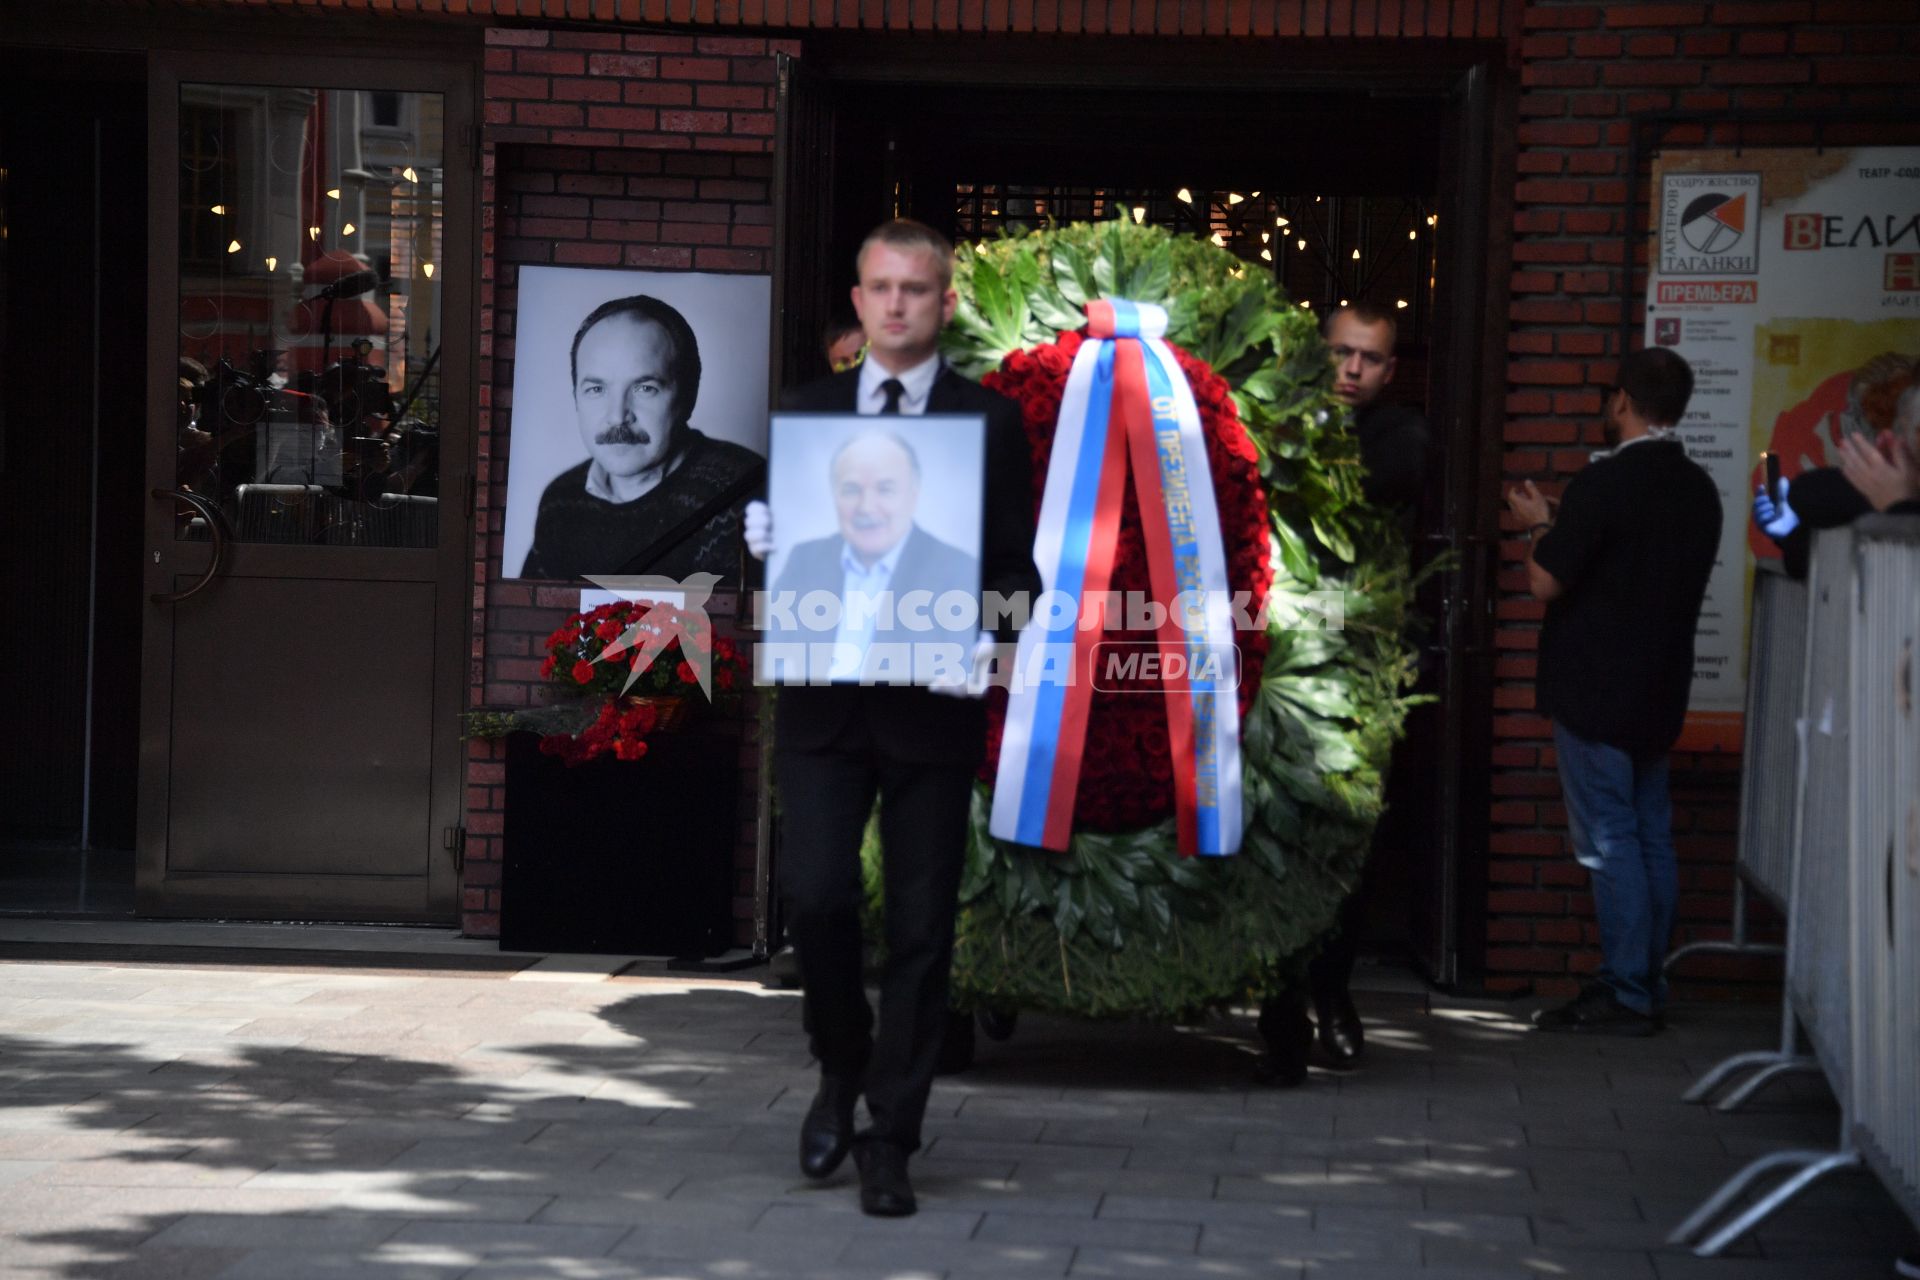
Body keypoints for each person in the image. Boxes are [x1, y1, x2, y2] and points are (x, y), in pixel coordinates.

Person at [743, 218, 1040, 1218]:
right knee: (819, 897)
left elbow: (1014, 570)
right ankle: (840, 1059)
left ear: (945, 302)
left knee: (920, 928)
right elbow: (783, 565)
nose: (899, 303)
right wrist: (766, 549)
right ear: (861, 298)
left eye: (918, 288)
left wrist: (989, 642)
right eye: (881, 286)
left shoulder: (988, 422)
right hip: (826, 703)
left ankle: (891, 1134)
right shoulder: (806, 411)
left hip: (932, 712)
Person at [1506, 346, 1720, 1035]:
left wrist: (1538, 523)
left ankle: (1626, 991)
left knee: (1609, 841)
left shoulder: (1604, 485)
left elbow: (1546, 580)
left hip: (1595, 687)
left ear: (1623, 400)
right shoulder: (1698, 489)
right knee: (1651, 835)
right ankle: (1647, 982)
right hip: (1661, 687)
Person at [1258, 303, 1430, 1084]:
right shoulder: (1274, 419)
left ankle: (1330, 992)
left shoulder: (1400, 437)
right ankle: (1281, 997)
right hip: (1269, 660)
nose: (1352, 370)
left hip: (1355, 672)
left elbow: (1350, 488)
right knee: (1273, 830)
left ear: (1390, 372)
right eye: (1340, 354)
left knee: (1344, 840)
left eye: (1368, 359)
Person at [518, 294, 761, 581]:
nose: (618, 416)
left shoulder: (744, 494)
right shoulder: (561, 500)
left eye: (645, 388)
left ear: (688, 396)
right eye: (596, 389)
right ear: (575, 398)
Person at [767, 429, 981, 682]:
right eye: (851, 489)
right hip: (818, 715)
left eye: (885, 489)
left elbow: (960, 672)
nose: (866, 507)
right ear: (835, 495)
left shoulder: (957, 569)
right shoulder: (804, 559)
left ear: (913, 496)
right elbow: (775, 659)